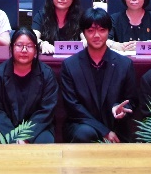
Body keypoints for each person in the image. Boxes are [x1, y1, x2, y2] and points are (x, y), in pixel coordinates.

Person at [59, 8, 139, 143]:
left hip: (115, 125)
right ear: (83, 33)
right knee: (85, 133)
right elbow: (73, 106)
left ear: (109, 32)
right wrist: (104, 131)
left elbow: (132, 100)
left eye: (102, 30)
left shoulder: (124, 64)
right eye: (91, 31)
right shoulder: (70, 65)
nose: (96, 35)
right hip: (81, 124)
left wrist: (121, 109)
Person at [0, 28, 59, 143]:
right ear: (11, 47)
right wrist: (13, 137)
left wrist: (26, 137)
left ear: (36, 49)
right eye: (19, 45)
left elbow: (46, 109)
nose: (24, 50)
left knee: (45, 141)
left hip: (37, 128)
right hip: (5, 128)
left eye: (29, 46)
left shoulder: (46, 74)